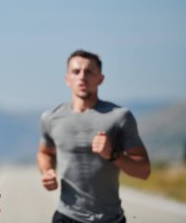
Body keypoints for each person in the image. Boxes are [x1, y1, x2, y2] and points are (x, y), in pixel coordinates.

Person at [37, 50, 150, 223]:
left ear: (101, 79)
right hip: (66, 216)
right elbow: (45, 152)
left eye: (89, 71)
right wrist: (47, 171)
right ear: (67, 79)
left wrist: (113, 154)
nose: (82, 77)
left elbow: (144, 170)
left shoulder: (119, 116)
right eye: (76, 72)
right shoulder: (51, 117)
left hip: (109, 218)